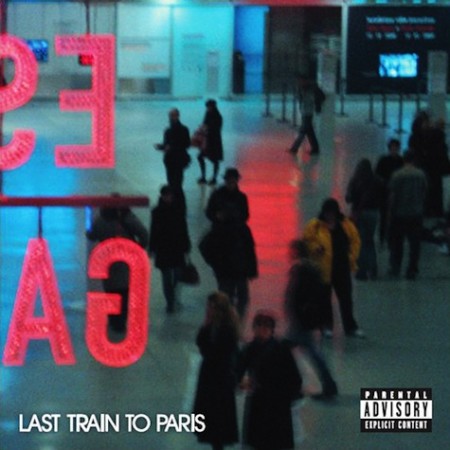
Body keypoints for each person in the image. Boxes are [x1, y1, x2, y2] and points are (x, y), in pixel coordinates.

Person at [238, 312, 302, 450]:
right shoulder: (258, 348)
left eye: (266, 327)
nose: (262, 330)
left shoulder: (275, 349)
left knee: (266, 438)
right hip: (267, 400)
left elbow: (294, 376)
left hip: (273, 400)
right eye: (259, 326)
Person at [86, 197, 149, 335]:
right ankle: (121, 321)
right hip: (125, 261)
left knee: (110, 291)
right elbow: (144, 235)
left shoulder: (101, 220)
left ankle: (114, 320)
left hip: (107, 262)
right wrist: (137, 250)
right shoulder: (128, 218)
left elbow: (91, 235)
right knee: (124, 292)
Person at [284, 239, 338, 400]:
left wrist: (295, 313)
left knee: (291, 350)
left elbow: (296, 295)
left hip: (301, 319)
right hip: (305, 318)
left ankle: (296, 385)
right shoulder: (312, 270)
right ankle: (327, 384)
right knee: (310, 351)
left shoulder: (301, 270)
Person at [303, 198, 363, 338]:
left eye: (332, 212)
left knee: (346, 299)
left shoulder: (346, 225)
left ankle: (350, 327)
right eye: (327, 212)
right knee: (324, 299)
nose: (329, 215)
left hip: (342, 268)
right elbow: (307, 241)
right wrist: (315, 248)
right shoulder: (315, 226)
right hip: (323, 268)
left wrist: (351, 257)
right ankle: (326, 326)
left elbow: (355, 241)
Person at [201, 168, 258, 317]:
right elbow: (209, 213)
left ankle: (236, 318)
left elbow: (245, 215)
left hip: (236, 257)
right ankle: (228, 318)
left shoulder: (241, 198)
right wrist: (218, 217)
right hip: (223, 252)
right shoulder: (217, 196)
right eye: (229, 180)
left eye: (233, 180)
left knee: (240, 293)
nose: (231, 183)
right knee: (226, 291)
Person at [193, 292, 240, 450]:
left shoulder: (224, 330)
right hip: (215, 375)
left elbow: (207, 348)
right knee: (215, 415)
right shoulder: (220, 327)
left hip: (218, 377)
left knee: (216, 415)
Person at [148, 185, 191, 313]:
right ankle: (170, 301)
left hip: (174, 247)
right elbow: (153, 230)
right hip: (166, 247)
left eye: (169, 195)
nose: (167, 197)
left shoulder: (176, 210)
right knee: (167, 277)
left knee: (176, 274)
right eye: (165, 195)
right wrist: (152, 247)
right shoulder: (158, 212)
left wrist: (186, 244)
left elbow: (184, 228)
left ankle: (171, 298)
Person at [387, 149, 428, 280]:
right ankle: (412, 269)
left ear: (404, 159)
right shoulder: (420, 174)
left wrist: (390, 212)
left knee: (397, 243)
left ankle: (396, 267)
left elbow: (392, 195)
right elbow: (424, 191)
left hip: (400, 213)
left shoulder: (397, 175)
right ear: (414, 159)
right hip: (416, 213)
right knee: (414, 244)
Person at [346, 158, 383, 280]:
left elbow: (348, 198)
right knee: (369, 240)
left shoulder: (355, 180)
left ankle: (361, 271)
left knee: (360, 242)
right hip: (373, 213)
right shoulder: (377, 180)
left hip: (358, 214)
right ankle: (373, 269)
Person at [154, 108, 191, 192]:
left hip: (178, 159)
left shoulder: (183, 129)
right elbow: (166, 144)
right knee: (171, 181)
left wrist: (171, 147)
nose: (171, 117)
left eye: (173, 115)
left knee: (177, 183)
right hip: (169, 160)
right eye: (170, 115)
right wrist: (161, 147)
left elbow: (186, 144)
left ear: (178, 116)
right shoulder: (168, 131)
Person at [375, 138, 404, 245]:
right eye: (393, 147)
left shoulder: (400, 161)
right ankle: (383, 237)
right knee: (384, 216)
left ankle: (391, 238)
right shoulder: (386, 161)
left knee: (394, 217)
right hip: (385, 193)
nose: (394, 150)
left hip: (394, 193)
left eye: (396, 148)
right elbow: (377, 176)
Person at [288, 77, 322, 155]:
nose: (299, 82)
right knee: (310, 132)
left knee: (303, 131)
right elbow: (300, 98)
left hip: (308, 112)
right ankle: (315, 148)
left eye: (301, 81)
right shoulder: (302, 89)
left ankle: (294, 148)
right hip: (305, 111)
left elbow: (309, 99)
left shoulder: (310, 90)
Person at [197, 99, 223, 185]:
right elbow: (205, 124)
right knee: (201, 157)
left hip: (214, 141)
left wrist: (206, 129)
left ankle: (213, 177)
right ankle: (204, 176)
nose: (208, 108)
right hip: (208, 141)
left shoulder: (218, 117)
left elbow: (216, 129)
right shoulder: (208, 114)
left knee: (214, 160)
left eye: (209, 107)